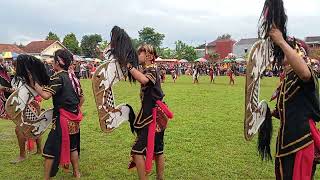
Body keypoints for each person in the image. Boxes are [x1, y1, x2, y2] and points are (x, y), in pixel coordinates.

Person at [269, 26, 320, 180]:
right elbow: (290, 109)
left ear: (298, 52)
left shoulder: (304, 72)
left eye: (286, 48)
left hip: (300, 142)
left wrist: (281, 41)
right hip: (286, 141)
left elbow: (305, 74)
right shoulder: (287, 79)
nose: (281, 51)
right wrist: (270, 113)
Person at [32, 49, 84, 179]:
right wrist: (73, 109)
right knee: (73, 147)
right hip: (74, 118)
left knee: (50, 149)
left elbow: (45, 95)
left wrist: (34, 84)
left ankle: (46, 178)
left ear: (57, 63)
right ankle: (77, 173)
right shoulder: (73, 78)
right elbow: (82, 99)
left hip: (62, 120)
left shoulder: (57, 77)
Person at [127, 44, 166, 180]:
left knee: (137, 151)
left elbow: (144, 80)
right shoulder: (150, 68)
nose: (138, 56)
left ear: (148, 55)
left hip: (152, 116)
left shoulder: (152, 70)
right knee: (158, 149)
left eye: (140, 53)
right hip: (157, 114)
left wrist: (129, 67)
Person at [0, 57, 42, 164]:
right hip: (23, 105)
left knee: (19, 129)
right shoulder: (17, 77)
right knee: (34, 126)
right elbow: (17, 91)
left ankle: (22, 155)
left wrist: (4, 88)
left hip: (30, 106)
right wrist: (6, 89)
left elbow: (35, 91)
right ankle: (39, 150)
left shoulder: (29, 77)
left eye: (15, 66)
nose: (14, 68)